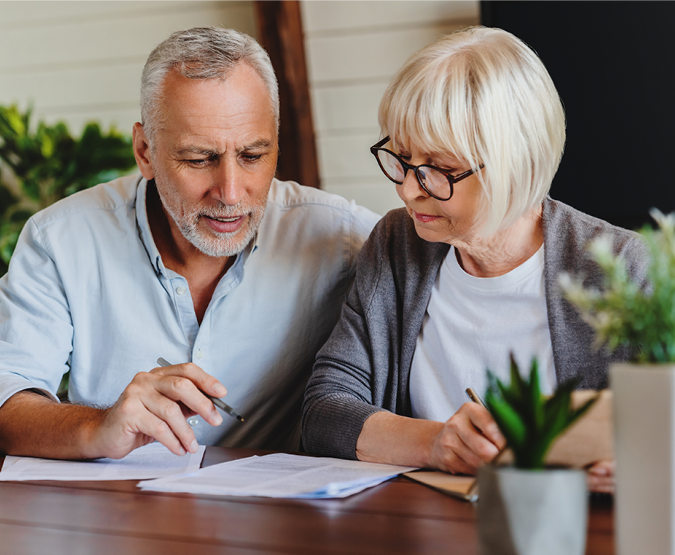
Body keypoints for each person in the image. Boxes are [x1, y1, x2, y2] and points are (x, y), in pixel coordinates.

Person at [0, 27, 379, 460]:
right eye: (199, 159)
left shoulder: (343, 237)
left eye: (253, 156)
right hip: (119, 517)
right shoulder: (60, 240)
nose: (231, 192)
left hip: (279, 519)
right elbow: (6, 396)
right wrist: (98, 427)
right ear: (145, 151)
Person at [302, 26, 649, 493]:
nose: (407, 189)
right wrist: (435, 442)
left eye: (439, 170)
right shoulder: (396, 244)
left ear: (515, 163)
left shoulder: (624, 269)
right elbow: (324, 411)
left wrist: (641, 462)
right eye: (402, 159)